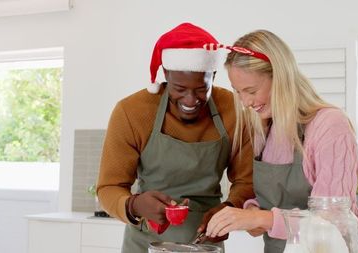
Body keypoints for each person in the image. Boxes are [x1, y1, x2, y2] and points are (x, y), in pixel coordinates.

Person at [96, 23, 254, 253]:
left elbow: (246, 181)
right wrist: (135, 204)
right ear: (165, 75)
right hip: (144, 243)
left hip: (205, 242)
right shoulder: (132, 112)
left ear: (213, 76)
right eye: (179, 88)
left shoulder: (234, 109)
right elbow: (109, 187)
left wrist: (230, 207)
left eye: (202, 88)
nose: (190, 100)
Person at [204, 30, 358, 252]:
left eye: (251, 91)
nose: (245, 103)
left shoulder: (329, 125)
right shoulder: (265, 128)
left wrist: (261, 219)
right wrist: (251, 212)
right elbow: (271, 203)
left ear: (281, 77)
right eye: (239, 92)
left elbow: (332, 224)